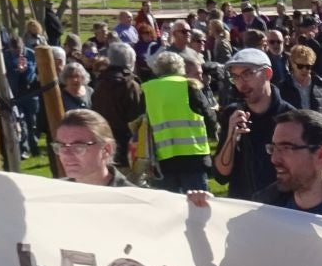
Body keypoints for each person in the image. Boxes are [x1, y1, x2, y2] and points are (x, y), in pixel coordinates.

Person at [212, 48, 300, 201]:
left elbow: (301, 174)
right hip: (242, 205)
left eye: (247, 74)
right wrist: (231, 138)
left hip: (281, 208)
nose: (241, 84)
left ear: (267, 74)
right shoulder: (233, 114)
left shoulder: (290, 117)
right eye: (235, 77)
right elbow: (221, 176)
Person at [141, 50, 215, 197]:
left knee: (169, 209)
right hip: (194, 156)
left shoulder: (148, 90)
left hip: (163, 159)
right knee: (198, 207)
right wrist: (213, 132)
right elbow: (208, 116)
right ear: (180, 68)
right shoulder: (189, 86)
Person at [90, 40, 145, 169]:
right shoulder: (131, 85)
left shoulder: (100, 83)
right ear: (131, 61)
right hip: (128, 145)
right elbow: (137, 118)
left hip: (103, 140)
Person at [52, 109, 136, 187]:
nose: (66, 154)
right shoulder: (53, 194)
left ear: (106, 149)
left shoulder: (133, 200)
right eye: (61, 146)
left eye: (78, 147)